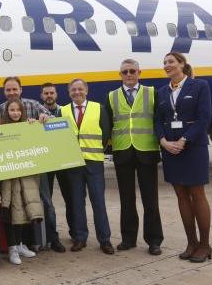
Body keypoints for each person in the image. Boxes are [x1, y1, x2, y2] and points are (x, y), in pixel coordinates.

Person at [155, 52, 212, 263]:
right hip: (170, 149)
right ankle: (191, 242)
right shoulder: (162, 92)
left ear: (182, 64)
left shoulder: (199, 86)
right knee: (181, 195)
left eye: (171, 62)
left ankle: (205, 245)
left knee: (197, 195)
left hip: (193, 147)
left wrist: (184, 139)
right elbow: (158, 121)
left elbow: (204, 118)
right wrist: (163, 141)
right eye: (164, 63)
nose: (167, 65)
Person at [107, 59, 164, 255]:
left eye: (132, 71)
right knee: (126, 199)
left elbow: (159, 120)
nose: (129, 74)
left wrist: (163, 142)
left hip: (146, 151)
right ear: (120, 74)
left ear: (140, 72)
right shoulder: (111, 96)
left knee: (150, 200)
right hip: (123, 152)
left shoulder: (151, 93)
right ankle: (128, 238)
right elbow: (107, 125)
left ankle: (154, 240)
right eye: (125, 72)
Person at [61, 79, 114, 254]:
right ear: (69, 92)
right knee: (77, 202)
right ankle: (80, 238)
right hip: (73, 163)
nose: (77, 92)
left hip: (94, 161)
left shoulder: (98, 108)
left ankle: (105, 240)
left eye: (80, 89)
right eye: (73, 89)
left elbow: (105, 132)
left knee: (98, 201)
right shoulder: (63, 111)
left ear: (86, 90)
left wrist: (97, 150)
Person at [0, 98, 44, 265]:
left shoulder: (28, 127)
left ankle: (20, 244)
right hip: (9, 178)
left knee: (23, 210)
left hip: (25, 175)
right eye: (12, 110)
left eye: (18, 110)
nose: (15, 113)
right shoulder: (1, 129)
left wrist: (37, 124)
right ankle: (12, 248)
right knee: (12, 211)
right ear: (7, 112)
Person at [37, 83, 67, 252]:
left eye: (51, 93)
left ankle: (76, 234)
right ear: (42, 96)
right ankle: (52, 238)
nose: (49, 95)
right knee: (48, 202)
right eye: (46, 93)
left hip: (63, 161)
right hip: (47, 162)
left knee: (70, 199)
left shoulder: (64, 111)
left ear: (56, 94)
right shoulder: (37, 111)